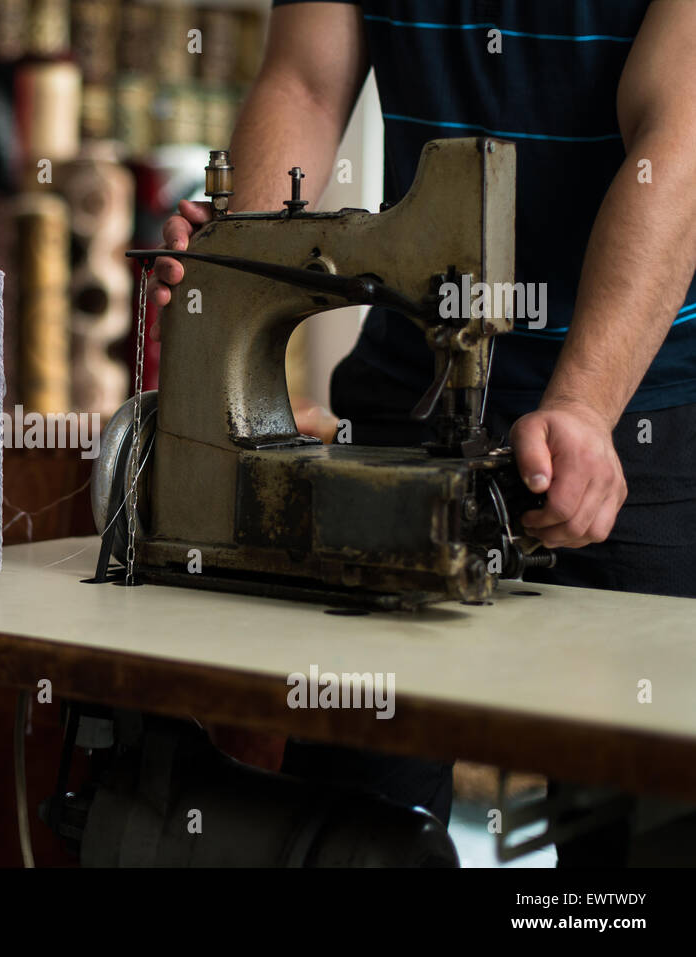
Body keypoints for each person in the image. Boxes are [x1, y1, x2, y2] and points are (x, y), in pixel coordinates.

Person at [153, 0, 696, 866]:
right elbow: (303, 81)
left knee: (635, 837)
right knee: (349, 822)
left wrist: (587, 405)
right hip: (413, 383)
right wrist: (238, 257)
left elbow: (678, 137)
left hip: (639, 413)